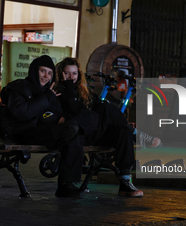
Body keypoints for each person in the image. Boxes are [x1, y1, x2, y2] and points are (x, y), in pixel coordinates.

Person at [0, 55, 98, 198]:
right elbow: (22, 113)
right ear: (34, 71)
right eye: (43, 71)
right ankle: (66, 184)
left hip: (46, 131)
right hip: (24, 132)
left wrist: (63, 117)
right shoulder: (20, 87)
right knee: (71, 133)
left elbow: (55, 112)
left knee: (78, 130)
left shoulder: (50, 91)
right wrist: (47, 98)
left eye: (50, 73)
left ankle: (66, 185)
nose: (46, 76)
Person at [55, 57, 144, 197]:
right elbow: (71, 111)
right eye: (67, 73)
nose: (71, 77)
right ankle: (136, 133)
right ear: (60, 74)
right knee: (102, 107)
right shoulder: (58, 91)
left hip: (94, 131)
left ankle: (125, 182)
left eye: (74, 73)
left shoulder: (84, 92)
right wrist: (69, 89)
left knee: (123, 131)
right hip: (78, 133)